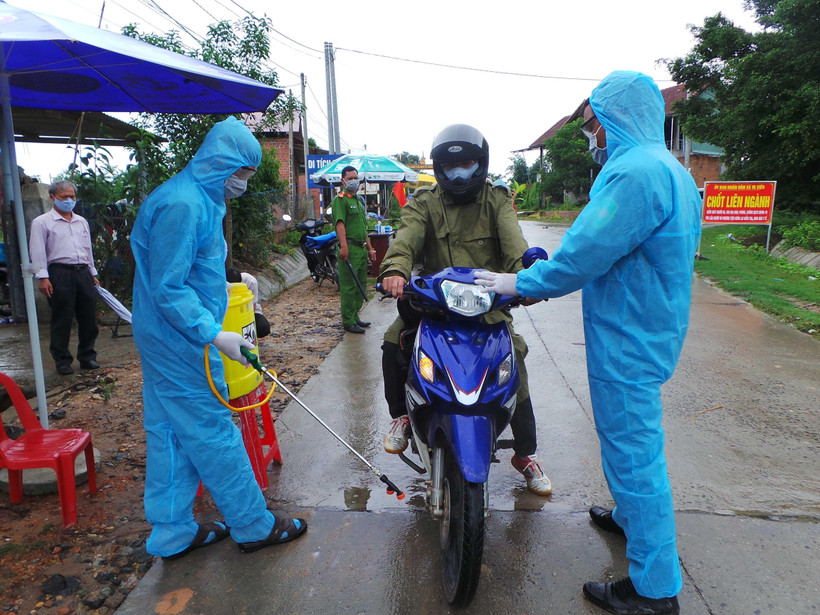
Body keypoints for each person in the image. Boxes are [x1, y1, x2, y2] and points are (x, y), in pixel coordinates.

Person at [476, 71, 702, 615]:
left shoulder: (633, 174)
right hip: (651, 327)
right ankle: (629, 518)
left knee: (634, 456)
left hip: (627, 339)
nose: (590, 134)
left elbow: (582, 255)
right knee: (630, 446)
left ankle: (654, 591)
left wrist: (516, 284)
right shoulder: (669, 168)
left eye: (591, 124)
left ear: (612, 118)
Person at [130, 117, 306, 559]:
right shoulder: (184, 205)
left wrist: (220, 294)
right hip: (180, 340)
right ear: (221, 162)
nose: (244, 183)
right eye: (243, 173)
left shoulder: (201, 198)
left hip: (169, 336)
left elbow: (192, 269)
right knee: (212, 430)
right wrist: (213, 333)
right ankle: (252, 524)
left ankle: (172, 531)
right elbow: (168, 287)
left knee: (169, 431)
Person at [378, 124, 552, 496]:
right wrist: (395, 270)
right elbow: (405, 240)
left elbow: (515, 246)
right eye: (451, 166)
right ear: (439, 168)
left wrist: (528, 281)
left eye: (469, 164)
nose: (460, 173)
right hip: (434, 307)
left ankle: (525, 454)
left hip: (488, 310)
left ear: (482, 164)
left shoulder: (497, 201)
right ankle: (403, 417)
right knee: (395, 343)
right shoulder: (425, 202)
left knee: (513, 366)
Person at [29, 180, 100, 375]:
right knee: (62, 318)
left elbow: (88, 249)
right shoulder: (42, 222)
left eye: (72, 197)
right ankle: (62, 360)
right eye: (64, 197)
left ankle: (87, 356)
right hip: (59, 272)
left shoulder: (81, 221)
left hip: (83, 272)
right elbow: (37, 251)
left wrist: (92, 273)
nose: (69, 201)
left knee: (88, 317)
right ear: (52, 198)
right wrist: (42, 277)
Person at [332, 166, 376, 333]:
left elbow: (362, 228)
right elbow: (340, 224)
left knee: (360, 285)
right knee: (349, 286)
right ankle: (348, 321)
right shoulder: (340, 200)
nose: (354, 181)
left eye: (356, 177)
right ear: (343, 180)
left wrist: (370, 248)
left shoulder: (357, 200)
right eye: (350, 178)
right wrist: (343, 246)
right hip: (348, 247)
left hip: (361, 249)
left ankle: (355, 316)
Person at [226, 268, 270, 338]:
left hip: (248, 311)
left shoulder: (250, 281)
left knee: (263, 328)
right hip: (229, 314)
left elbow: (253, 306)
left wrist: (244, 321)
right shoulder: (221, 285)